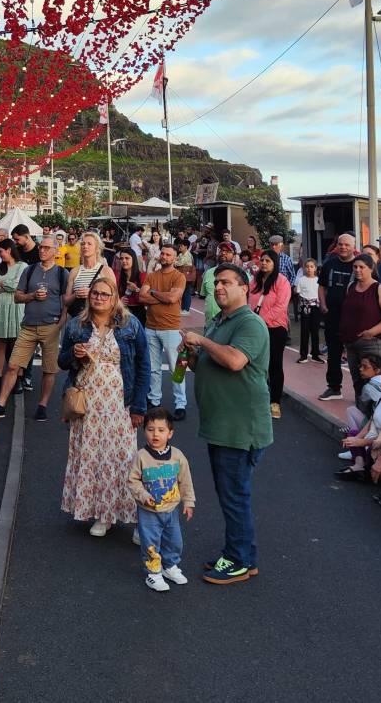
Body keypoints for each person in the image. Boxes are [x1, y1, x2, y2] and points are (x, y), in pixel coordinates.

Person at [183, 263, 272, 584]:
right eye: (215, 283)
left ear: (244, 288)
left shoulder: (250, 323)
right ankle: (240, 554)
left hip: (240, 428)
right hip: (222, 426)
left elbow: (235, 361)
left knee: (235, 496)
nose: (218, 288)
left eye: (226, 283)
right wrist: (194, 355)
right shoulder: (220, 320)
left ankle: (240, 559)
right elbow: (211, 363)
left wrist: (203, 342)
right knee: (230, 494)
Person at [59, 273, 149, 537]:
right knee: (92, 458)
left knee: (123, 459)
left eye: (104, 294)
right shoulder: (77, 325)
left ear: (114, 299)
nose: (98, 298)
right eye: (95, 293)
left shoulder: (130, 325)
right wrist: (74, 354)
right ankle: (102, 514)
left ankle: (135, 519)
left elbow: (143, 365)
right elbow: (63, 362)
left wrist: (139, 407)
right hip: (87, 403)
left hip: (120, 402)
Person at [0, 236, 68, 423]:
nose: (42, 250)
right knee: (13, 365)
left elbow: (66, 301)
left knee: (49, 369)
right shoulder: (30, 269)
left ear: (55, 251)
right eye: (41, 247)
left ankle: (42, 405)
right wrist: (33, 296)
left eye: (47, 248)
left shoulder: (61, 273)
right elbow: (17, 297)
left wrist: (61, 323)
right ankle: (1, 404)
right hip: (28, 325)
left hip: (50, 325)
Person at [128, 407, 195, 592]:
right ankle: (153, 573)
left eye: (161, 430)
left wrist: (189, 502)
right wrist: (143, 495)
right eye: (150, 430)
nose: (155, 434)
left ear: (170, 433)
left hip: (171, 510)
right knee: (150, 543)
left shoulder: (177, 456)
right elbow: (132, 480)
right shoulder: (141, 457)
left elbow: (185, 480)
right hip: (148, 512)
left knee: (174, 541)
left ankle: (170, 566)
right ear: (144, 432)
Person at [339, 254, 381, 399]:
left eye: (362, 267)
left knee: (375, 382)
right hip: (351, 342)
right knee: (357, 380)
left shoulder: (380, 288)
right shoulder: (351, 287)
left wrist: (371, 332)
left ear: (371, 269)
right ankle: (361, 411)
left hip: (372, 343)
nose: (357, 270)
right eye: (355, 267)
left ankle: (376, 413)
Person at [142, 243, 189, 418]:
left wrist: (153, 293)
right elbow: (141, 297)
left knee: (176, 368)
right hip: (151, 327)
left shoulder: (179, 277)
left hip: (170, 328)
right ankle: (154, 399)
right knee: (153, 368)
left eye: (169, 255)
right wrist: (163, 296)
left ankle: (180, 403)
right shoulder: (152, 275)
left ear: (175, 258)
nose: (164, 257)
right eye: (162, 253)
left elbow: (173, 298)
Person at [248, 250, 291, 419]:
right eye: (262, 260)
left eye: (268, 261)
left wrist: (260, 321)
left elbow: (281, 307)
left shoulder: (282, 281)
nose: (264, 263)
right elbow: (248, 301)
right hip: (254, 328)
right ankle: (257, 398)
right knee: (254, 364)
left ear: (274, 263)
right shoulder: (255, 281)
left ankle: (275, 402)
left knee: (274, 365)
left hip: (274, 328)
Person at [318, 234, 358, 401]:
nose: (343, 247)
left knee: (356, 356)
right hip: (332, 317)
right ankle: (334, 388)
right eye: (340, 244)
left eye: (347, 245)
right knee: (333, 354)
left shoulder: (359, 265)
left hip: (353, 320)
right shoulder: (330, 264)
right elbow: (321, 286)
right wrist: (323, 305)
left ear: (353, 246)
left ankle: (362, 392)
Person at [0, 239, 26, 395]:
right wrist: (4, 285)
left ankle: (18, 379)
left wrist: (2, 284)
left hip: (16, 308)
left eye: (1, 251)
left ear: (9, 250)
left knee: (17, 345)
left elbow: (18, 285)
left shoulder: (22, 266)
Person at [64, 231, 112, 319]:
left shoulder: (106, 271)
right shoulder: (74, 271)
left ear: (97, 248)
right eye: (83, 244)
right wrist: (76, 295)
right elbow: (66, 301)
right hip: (77, 321)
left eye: (89, 244)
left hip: (98, 320)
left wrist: (92, 293)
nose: (85, 246)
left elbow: (114, 298)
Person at [198, 242, 238, 327]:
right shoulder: (208, 272)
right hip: (209, 323)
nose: (223, 253)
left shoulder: (240, 275)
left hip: (230, 325)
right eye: (221, 250)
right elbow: (205, 295)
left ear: (234, 255)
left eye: (227, 251)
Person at [293, 258, 321, 363]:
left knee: (315, 331)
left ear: (315, 268)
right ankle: (303, 355)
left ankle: (315, 354)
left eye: (311, 266)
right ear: (304, 268)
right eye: (307, 266)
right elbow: (298, 292)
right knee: (304, 331)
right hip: (305, 307)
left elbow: (321, 293)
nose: (309, 269)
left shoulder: (319, 280)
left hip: (316, 307)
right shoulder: (301, 280)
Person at [114, 248, 147, 327]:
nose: (124, 261)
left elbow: (146, 298)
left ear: (133, 259)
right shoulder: (117, 277)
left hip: (139, 312)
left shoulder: (142, 276)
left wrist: (136, 289)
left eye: (127, 258)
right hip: (123, 312)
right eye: (121, 259)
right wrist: (119, 301)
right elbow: (112, 295)